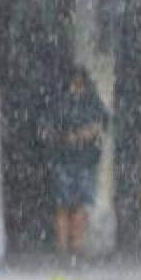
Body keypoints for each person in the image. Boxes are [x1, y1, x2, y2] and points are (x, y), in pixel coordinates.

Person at [47, 66, 109, 261]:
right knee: (62, 204)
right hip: (63, 159)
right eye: (74, 82)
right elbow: (48, 129)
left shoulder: (91, 102)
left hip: (85, 160)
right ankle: (63, 246)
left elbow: (104, 122)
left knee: (80, 204)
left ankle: (76, 246)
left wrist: (91, 131)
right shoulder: (60, 102)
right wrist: (67, 137)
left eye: (80, 82)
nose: (77, 86)